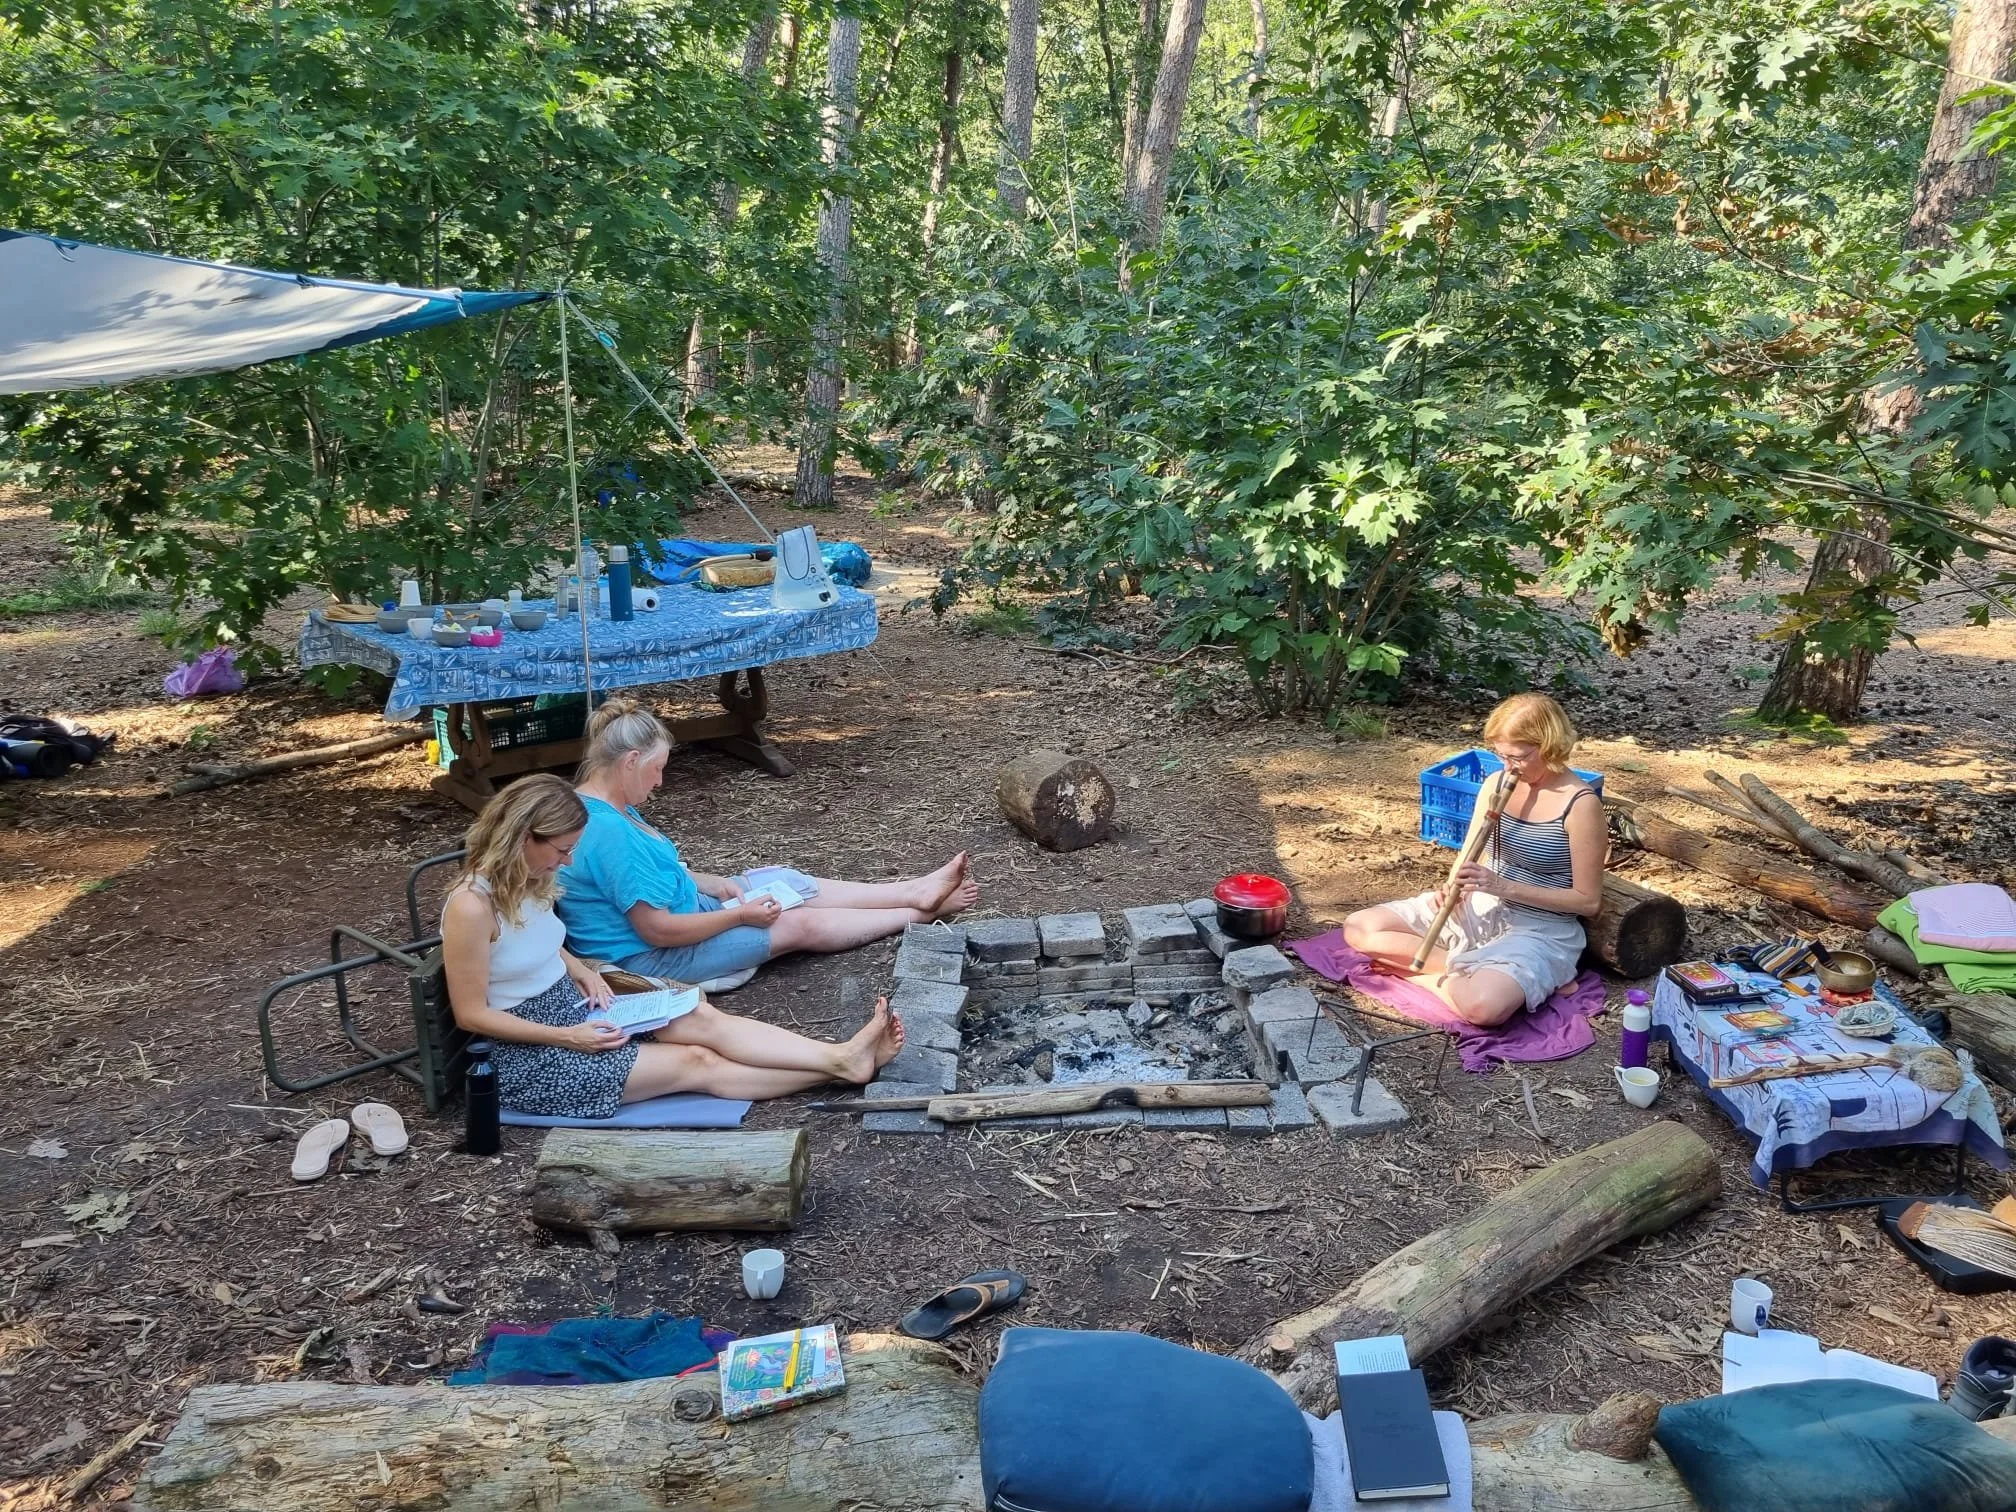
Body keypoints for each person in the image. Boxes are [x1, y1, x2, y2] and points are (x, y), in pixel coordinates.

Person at [440, 774, 906, 1117]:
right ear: (524, 837)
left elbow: (538, 939)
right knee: (697, 1063)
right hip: (529, 1051)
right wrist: (568, 1036)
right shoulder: (471, 908)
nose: (567, 860)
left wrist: (580, 969)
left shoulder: (528, 877)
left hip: (575, 1004)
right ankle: (844, 1065)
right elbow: (471, 1014)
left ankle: (840, 1056)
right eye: (561, 850)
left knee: (697, 1016)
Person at [554, 698, 979, 990]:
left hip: (688, 914)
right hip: (651, 957)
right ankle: (921, 911)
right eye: (657, 770)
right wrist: (740, 916)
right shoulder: (607, 830)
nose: (660, 782)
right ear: (630, 762)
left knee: (783, 880)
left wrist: (714, 883)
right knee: (794, 924)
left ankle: (911, 890)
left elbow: (655, 871)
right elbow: (658, 930)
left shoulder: (607, 802)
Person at [1343, 692, 1604, 1027]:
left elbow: (1588, 902)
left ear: (1549, 746)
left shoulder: (1580, 805)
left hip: (1540, 928)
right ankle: (1472, 970)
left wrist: (1502, 886)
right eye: (1502, 756)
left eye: (1519, 757)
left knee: (1484, 1008)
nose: (1508, 767)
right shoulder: (1496, 782)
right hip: (1480, 908)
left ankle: (1421, 974)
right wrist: (1453, 887)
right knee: (1360, 929)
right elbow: (1470, 852)